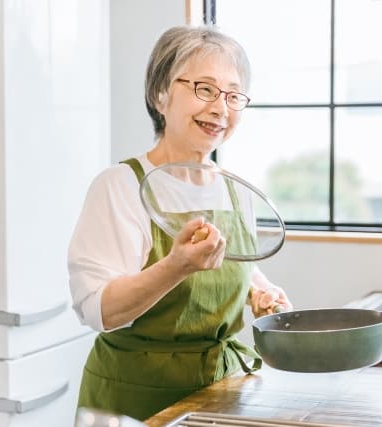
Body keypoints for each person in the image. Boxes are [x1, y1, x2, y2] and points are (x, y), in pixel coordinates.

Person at [68, 25, 292, 421]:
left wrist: (260, 293)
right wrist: (176, 266)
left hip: (217, 395)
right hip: (129, 401)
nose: (220, 107)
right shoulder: (120, 186)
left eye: (233, 94)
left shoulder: (236, 192)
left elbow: (235, 266)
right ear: (160, 94)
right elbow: (99, 311)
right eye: (204, 88)